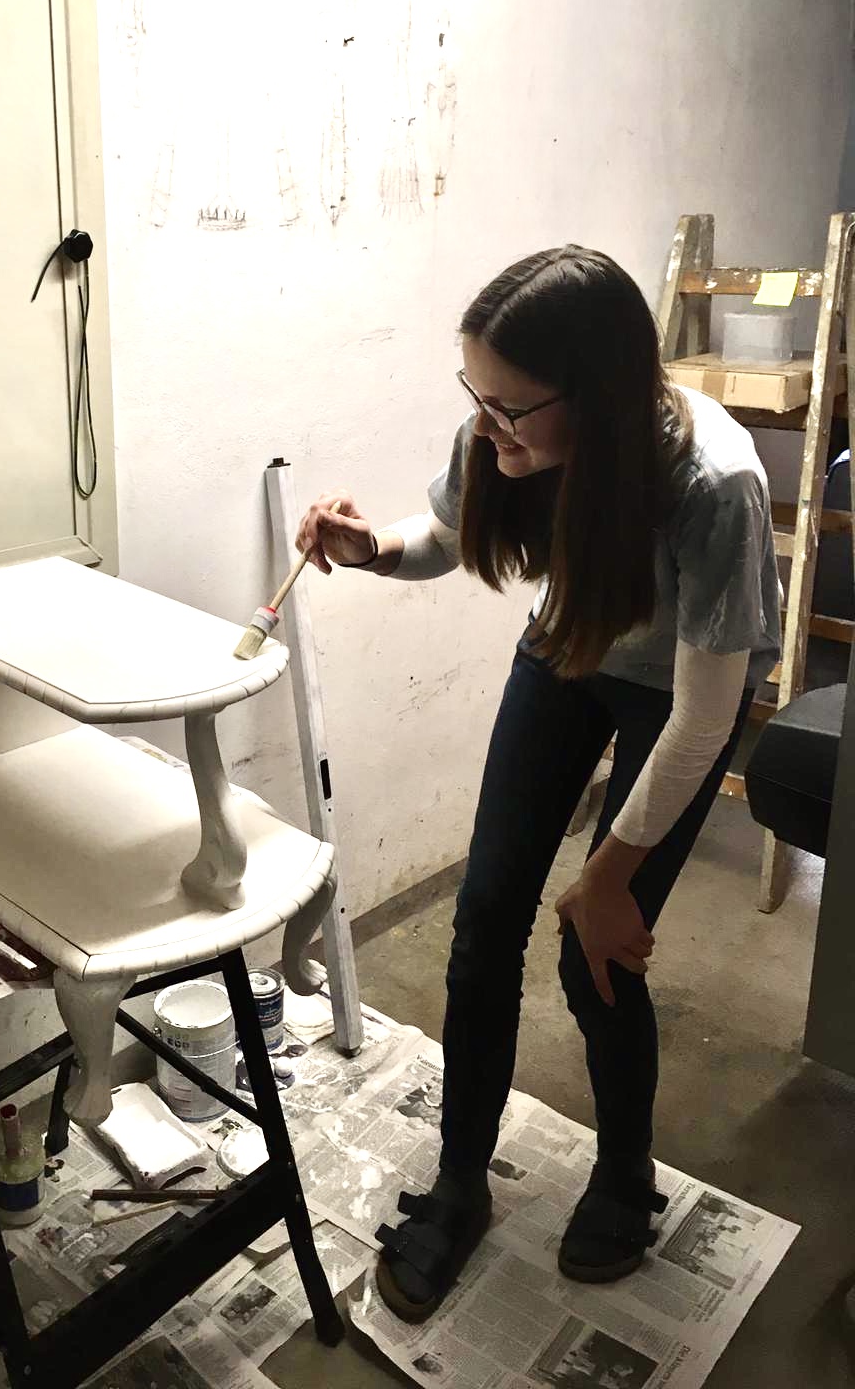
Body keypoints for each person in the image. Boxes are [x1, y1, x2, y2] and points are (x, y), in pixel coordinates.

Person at [296, 246, 780, 1322]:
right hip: (567, 648)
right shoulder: (510, 424)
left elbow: (707, 715)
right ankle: (461, 1181)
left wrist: (611, 876)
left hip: (679, 695)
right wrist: (367, 545)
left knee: (593, 947)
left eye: (510, 405)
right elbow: (440, 532)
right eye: (477, 394)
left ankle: (624, 1172)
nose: (488, 422)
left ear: (594, 396)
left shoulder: (715, 482)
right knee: (483, 924)